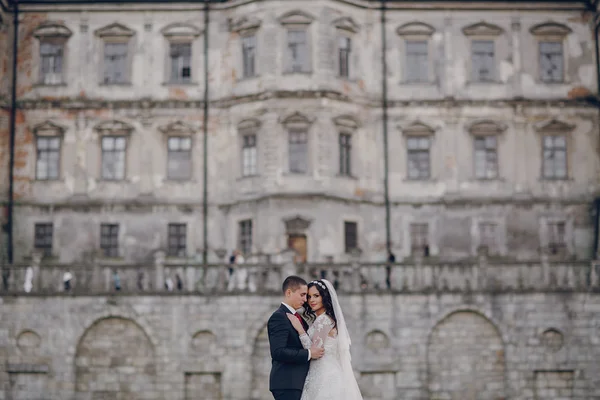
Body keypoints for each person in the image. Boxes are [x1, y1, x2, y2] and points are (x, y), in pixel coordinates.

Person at [287, 279, 363, 400]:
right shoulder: (320, 319)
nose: (311, 300)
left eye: (316, 296)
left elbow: (314, 351)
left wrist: (299, 329)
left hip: (325, 375)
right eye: (309, 296)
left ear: (325, 297)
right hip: (318, 373)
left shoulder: (324, 320)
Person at [268, 276, 324, 400]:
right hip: (288, 383)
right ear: (289, 292)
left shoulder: (297, 317)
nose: (305, 300)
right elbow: (278, 352)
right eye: (303, 295)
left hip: (297, 383)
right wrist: (309, 353)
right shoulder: (279, 317)